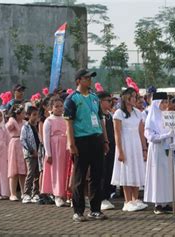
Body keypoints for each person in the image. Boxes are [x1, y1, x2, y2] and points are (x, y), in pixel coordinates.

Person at [64, 68, 108, 222]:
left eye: (90, 78)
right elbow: (68, 123)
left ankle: (95, 210)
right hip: (81, 141)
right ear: (78, 81)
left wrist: (105, 140)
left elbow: (100, 120)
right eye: (87, 78)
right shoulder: (72, 99)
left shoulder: (95, 98)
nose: (90, 80)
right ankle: (78, 211)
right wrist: (71, 143)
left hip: (96, 139)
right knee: (80, 177)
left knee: (97, 176)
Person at [111, 88, 148, 212]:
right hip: (125, 144)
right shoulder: (118, 113)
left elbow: (141, 132)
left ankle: (135, 199)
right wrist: (120, 151)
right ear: (126, 98)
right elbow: (117, 133)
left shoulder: (138, 112)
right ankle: (127, 201)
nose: (135, 99)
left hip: (136, 144)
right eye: (132, 96)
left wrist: (144, 148)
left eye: (135, 96)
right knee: (126, 171)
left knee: (137, 170)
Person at [144, 92, 175, 214]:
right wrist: (165, 136)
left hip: (168, 149)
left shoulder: (168, 116)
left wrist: (174, 141)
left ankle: (166, 202)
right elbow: (150, 136)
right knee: (158, 175)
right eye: (162, 102)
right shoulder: (151, 118)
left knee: (168, 175)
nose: (165, 105)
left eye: (166, 102)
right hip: (157, 150)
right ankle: (158, 203)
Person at [42, 97, 69, 207]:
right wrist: (48, 153)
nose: (59, 108)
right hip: (55, 147)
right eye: (56, 106)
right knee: (56, 171)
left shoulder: (66, 118)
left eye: (61, 106)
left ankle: (65, 194)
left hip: (65, 146)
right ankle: (57, 195)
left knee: (65, 170)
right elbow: (46, 138)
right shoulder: (49, 120)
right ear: (51, 108)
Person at [97, 91, 116, 211]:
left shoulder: (110, 115)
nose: (111, 103)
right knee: (101, 172)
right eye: (108, 101)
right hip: (101, 146)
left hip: (112, 146)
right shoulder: (98, 115)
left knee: (110, 170)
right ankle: (101, 198)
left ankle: (107, 196)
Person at [20, 106, 41, 204]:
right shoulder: (25, 127)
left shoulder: (37, 126)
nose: (36, 117)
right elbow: (23, 140)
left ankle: (35, 193)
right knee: (30, 173)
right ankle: (26, 193)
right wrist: (31, 150)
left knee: (37, 173)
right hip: (30, 154)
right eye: (34, 115)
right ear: (28, 116)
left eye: (37, 115)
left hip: (38, 153)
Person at [6, 104, 27, 201]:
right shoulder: (12, 121)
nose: (24, 114)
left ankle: (24, 192)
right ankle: (13, 193)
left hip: (22, 144)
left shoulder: (24, 122)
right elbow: (8, 128)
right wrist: (12, 119)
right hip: (14, 143)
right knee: (13, 170)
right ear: (17, 114)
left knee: (23, 171)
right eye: (22, 113)